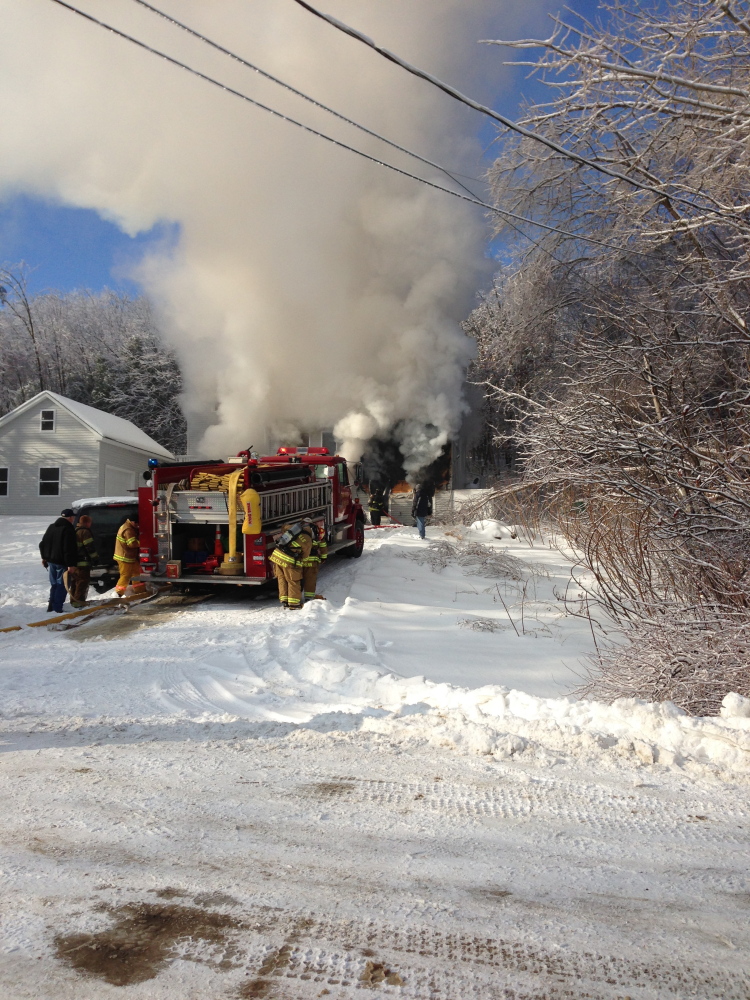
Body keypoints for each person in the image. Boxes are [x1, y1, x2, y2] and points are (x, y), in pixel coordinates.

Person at [39, 508, 78, 614]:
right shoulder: (68, 529)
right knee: (62, 585)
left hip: (51, 561)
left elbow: (42, 544)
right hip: (62, 562)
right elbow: (68, 549)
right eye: (73, 517)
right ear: (70, 518)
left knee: (54, 584)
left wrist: (44, 557)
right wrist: (71, 564)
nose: (74, 519)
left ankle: (51, 606)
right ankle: (57, 608)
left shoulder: (51, 527)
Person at [269, 521, 312, 609]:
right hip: (289, 561)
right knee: (293, 581)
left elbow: (284, 526)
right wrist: (302, 565)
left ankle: (284, 600)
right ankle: (294, 604)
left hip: (277, 556)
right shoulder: (308, 540)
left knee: (282, 579)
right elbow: (305, 556)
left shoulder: (294, 529)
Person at [69, 513, 99, 608]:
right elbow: (89, 547)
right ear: (87, 523)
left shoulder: (75, 530)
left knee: (75, 582)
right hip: (83, 562)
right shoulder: (85, 532)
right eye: (90, 522)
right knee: (82, 582)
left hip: (75, 562)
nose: (91, 524)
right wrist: (95, 558)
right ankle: (79, 602)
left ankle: (73, 601)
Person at [114, 514, 145, 597]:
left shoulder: (128, 526)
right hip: (124, 557)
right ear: (132, 522)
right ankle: (118, 593)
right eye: (137, 524)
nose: (138, 525)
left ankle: (140, 590)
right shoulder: (128, 530)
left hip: (129, 557)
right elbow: (132, 544)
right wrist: (143, 543)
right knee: (125, 575)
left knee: (137, 572)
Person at [301, 520, 328, 602]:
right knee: (310, 579)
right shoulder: (317, 531)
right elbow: (323, 545)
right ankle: (308, 598)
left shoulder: (297, 531)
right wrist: (323, 558)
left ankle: (294, 598)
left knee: (296, 579)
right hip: (312, 562)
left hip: (300, 561)